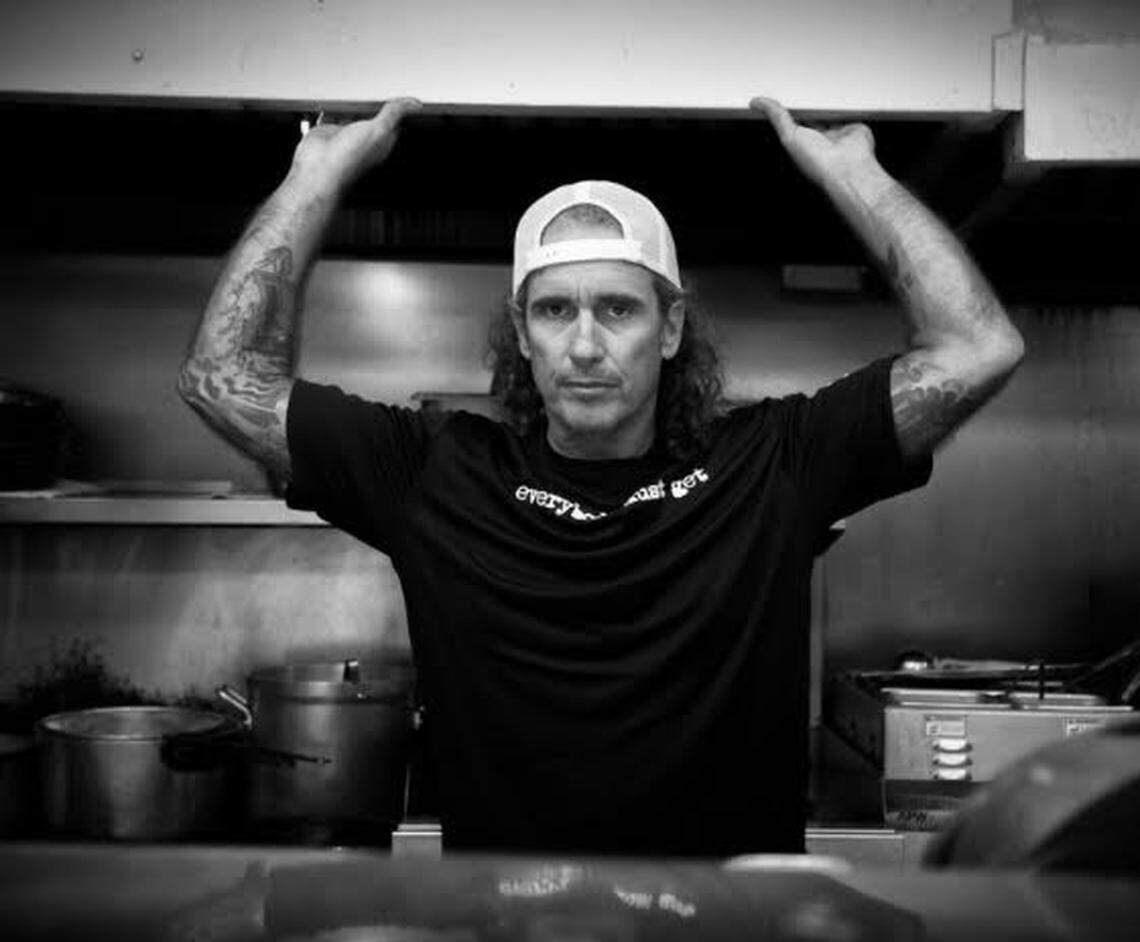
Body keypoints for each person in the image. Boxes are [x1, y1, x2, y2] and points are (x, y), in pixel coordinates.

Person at [178, 96, 1024, 857]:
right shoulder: (433, 471)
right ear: (521, 332)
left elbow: (978, 348)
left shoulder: (774, 462)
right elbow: (222, 379)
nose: (585, 345)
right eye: (555, 310)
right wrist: (316, 175)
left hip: (722, 929)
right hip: (511, 925)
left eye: (617, 308)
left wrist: (856, 175)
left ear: (669, 328)